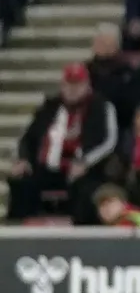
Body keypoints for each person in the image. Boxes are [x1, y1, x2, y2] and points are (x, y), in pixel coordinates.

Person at [8, 64, 119, 223]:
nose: (73, 89)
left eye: (78, 84)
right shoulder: (50, 107)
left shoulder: (101, 106)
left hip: (84, 169)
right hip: (47, 167)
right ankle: (18, 234)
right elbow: (28, 137)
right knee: (21, 182)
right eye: (69, 84)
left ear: (87, 84)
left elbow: (109, 141)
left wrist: (85, 162)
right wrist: (23, 159)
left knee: (85, 190)